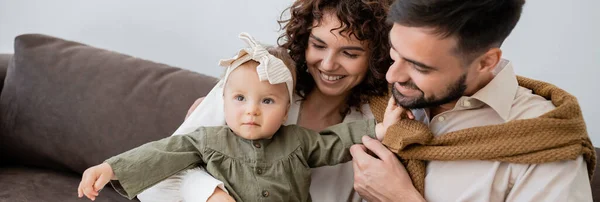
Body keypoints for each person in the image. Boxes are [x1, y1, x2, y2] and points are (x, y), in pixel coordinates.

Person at [77, 33, 406, 202]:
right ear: (224, 99)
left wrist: (380, 128)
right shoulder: (207, 139)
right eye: (239, 99)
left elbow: (337, 141)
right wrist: (111, 168)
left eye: (266, 101)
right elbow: (161, 154)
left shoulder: (298, 140)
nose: (251, 109)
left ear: (287, 106)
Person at [137, 0, 395, 202]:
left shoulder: (373, 125)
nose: (328, 64)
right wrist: (210, 193)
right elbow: (151, 183)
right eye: (318, 45)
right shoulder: (256, 81)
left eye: (349, 53)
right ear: (304, 40)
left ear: (377, 56)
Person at [348, 0, 595, 201]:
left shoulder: (548, 145)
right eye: (395, 52)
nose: (392, 75)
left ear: (486, 62)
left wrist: (401, 199)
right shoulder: (370, 92)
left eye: (420, 67)